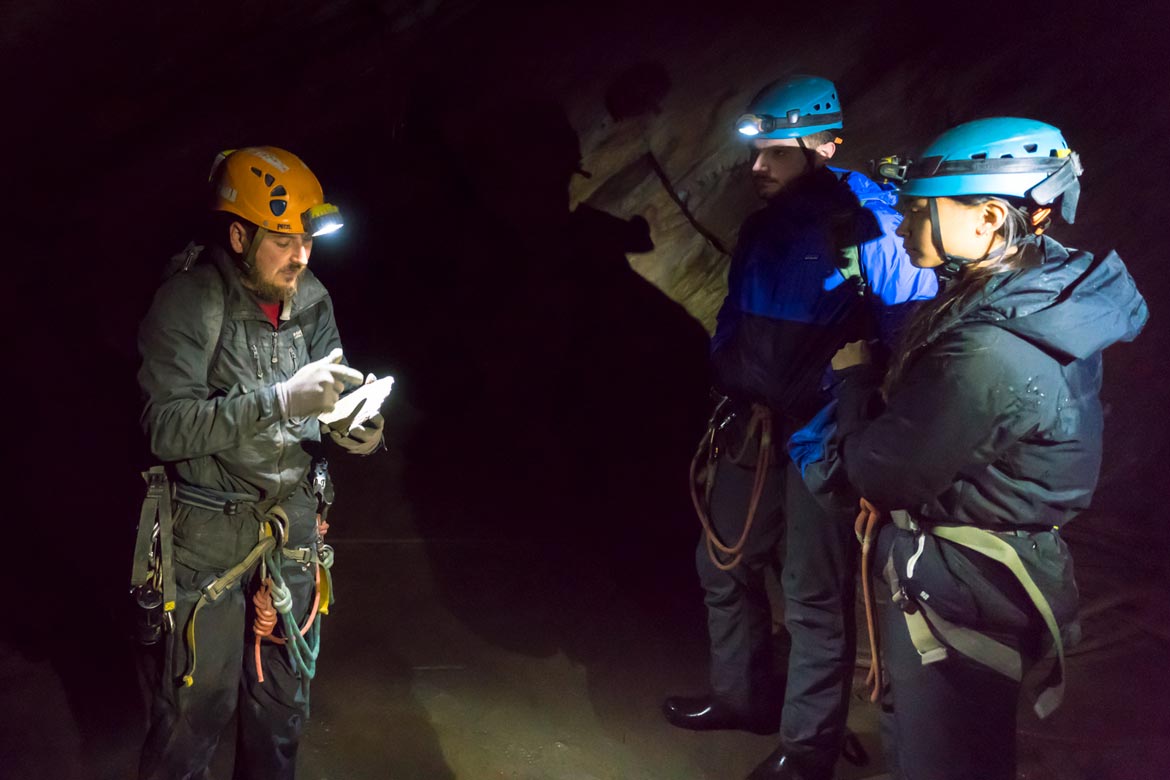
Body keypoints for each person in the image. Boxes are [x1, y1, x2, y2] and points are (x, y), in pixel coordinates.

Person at [815, 117, 1147, 779]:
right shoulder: (1039, 298)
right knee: (937, 742)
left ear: (991, 217)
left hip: (964, 584)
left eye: (916, 213)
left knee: (943, 757)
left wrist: (853, 388)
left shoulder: (994, 348)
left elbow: (881, 473)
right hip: (985, 572)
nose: (902, 229)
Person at [661, 75, 937, 780]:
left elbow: (905, 332)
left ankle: (807, 747)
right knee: (722, 561)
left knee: (814, 590)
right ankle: (741, 696)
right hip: (753, 421)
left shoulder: (872, 224)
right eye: (757, 154)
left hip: (824, 431)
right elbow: (737, 310)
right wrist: (730, 367)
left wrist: (860, 418)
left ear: (826, 144)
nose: (758, 168)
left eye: (777, 154)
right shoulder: (763, 224)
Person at [135, 146, 385, 779]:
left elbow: (331, 392)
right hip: (208, 533)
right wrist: (277, 400)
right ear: (240, 234)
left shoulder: (312, 299)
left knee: (280, 713)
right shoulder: (190, 300)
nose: (300, 255)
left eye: (307, 239)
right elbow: (165, 427)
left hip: (292, 527)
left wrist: (356, 424)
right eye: (283, 240)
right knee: (196, 711)